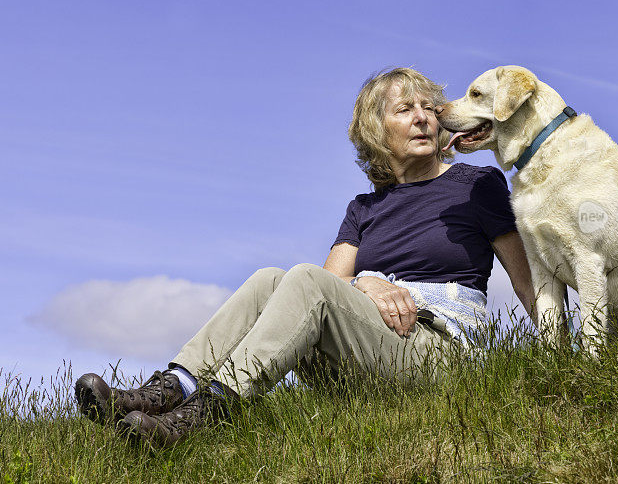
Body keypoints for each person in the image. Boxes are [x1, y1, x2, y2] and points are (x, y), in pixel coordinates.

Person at [74, 68, 535, 446]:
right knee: (271, 279)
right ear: (377, 132)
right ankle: (171, 390)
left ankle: (200, 416)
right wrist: (368, 283)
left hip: (434, 352)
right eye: (405, 110)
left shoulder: (476, 184)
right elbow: (324, 285)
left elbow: (525, 279)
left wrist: (576, 354)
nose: (423, 119)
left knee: (302, 280)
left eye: (429, 110)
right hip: (361, 356)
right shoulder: (364, 208)